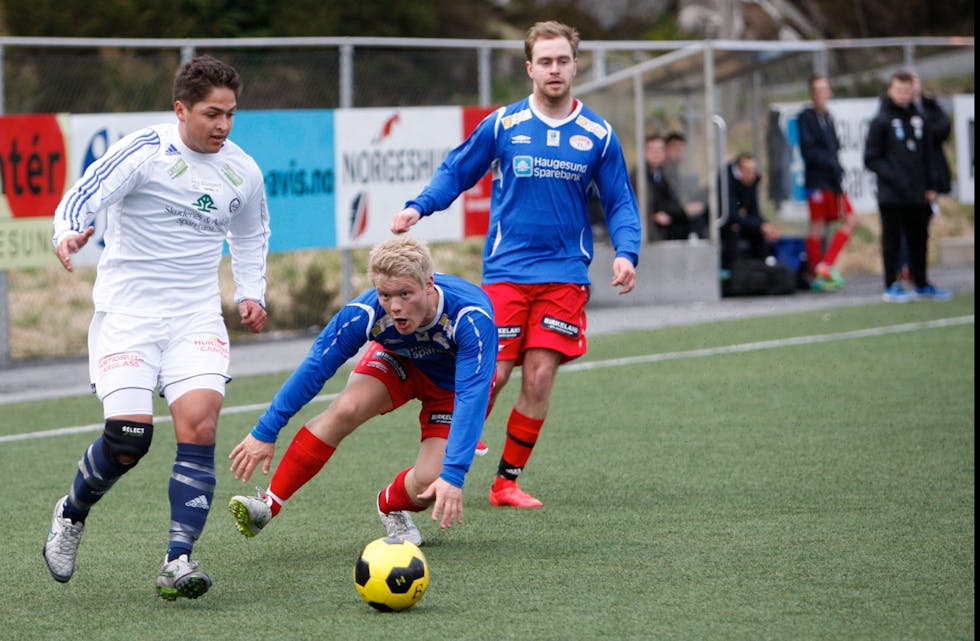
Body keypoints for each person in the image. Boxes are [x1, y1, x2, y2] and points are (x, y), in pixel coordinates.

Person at [44, 55, 271, 600]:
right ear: (181, 110)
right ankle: (72, 511)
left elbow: (250, 233)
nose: (222, 125)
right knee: (128, 439)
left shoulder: (244, 171)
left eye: (230, 115)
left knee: (201, 423)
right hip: (129, 315)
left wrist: (250, 293)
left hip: (195, 318)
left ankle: (178, 559)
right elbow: (83, 194)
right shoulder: (144, 151)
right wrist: (70, 232)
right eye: (212, 114)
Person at [390, 20, 641, 509]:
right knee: (495, 371)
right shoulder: (504, 124)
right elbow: (458, 170)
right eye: (544, 61)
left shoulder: (598, 135)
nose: (554, 69)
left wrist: (628, 252)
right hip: (507, 270)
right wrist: (420, 205)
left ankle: (506, 482)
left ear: (574, 65)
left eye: (562, 60)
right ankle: (448, 458)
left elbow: (621, 203)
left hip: (565, 272)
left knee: (540, 374)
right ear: (529, 68)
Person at [227, 235, 497, 546]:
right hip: (401, 361)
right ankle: (268, 505)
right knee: (346, 408)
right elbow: (315, 367)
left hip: (450, 388)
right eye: (385, 294)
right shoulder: (366, 312)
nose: (395, 306)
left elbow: (471, 396)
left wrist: (454, 474)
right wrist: (266, 430)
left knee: (430, 481)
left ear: (428, 284)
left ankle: (390, 506)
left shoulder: (471, 317)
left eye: (405, 294)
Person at [864, 70, 952, 303]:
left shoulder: (919, 119)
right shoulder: (881, 121)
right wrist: (894, 177)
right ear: (890, 91)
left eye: (907, 91)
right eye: (899, 90)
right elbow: (871, 158)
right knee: (892, 240)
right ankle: (891, 284)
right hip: (892, 195)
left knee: (919, 239)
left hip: (918, 194)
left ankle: (921, 282)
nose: (903, 95)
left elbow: (928, 156)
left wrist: (930, 185)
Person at [797, 73, 859, 292]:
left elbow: (833, 150)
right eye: (817, 90)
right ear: (812, 94)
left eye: (825, 89)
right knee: (818, 225)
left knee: (850, 220)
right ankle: (817, 272)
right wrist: (829, 163)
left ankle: (825, 264)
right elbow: (809, 151)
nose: (822, 94)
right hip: (817, 180)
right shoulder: (806, 117)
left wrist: (837, 171)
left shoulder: (829, 118)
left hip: (833, 181)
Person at [719, 151, 781, 272]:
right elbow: (730, 215)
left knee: (760, 232)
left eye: (753, 171)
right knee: (734, 229)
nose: (752, 175)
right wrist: (760, 226)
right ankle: (731, 271)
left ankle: (765, 267)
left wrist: (766, 225)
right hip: (724, 223)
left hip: (739, 221)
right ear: (739, 171)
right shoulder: (725, 181)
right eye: (748, 171)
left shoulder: (752, 180)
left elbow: (754, 212)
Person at [643, 133, 691, 242]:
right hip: (649, 225)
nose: (656, 154)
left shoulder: (665, 174)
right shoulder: (638, 176)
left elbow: (672, 199)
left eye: (660, 150)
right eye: (652, 150)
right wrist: (652, 215)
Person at [663, 130, 709, 239]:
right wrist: (684, 209)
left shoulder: (677, 170)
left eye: (681, 148)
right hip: (672, 217)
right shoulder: (663, 171)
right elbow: (666, 200)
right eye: (675, 148)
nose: (679, 151)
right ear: (666, 149)